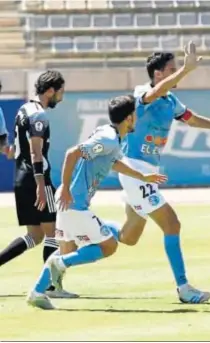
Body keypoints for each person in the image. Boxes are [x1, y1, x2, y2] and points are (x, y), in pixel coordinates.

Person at [118, 41, 210, 304]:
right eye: (172, 69)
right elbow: (153, 95)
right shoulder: (143, 92)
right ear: (158, 74)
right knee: (172, 224)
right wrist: (186, 70)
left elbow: (193, 119)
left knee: (128, 237)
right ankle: (184, 288)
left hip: (146, 172)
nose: (177, 73)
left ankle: (82, 236)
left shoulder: (171, 100)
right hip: (134, 169)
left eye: (178, 69)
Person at [26, 94, 167, 309]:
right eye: (135, 115)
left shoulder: (111, 136)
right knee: (108, 245)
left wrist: (142, 177)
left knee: (67, 247)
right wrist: (64, 187)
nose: (137, 119)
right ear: (129, 118)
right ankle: (60, 264)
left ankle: (37, 291)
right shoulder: (109, 139)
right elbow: (71, 153)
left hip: (70, 202)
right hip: (73, 203)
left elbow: (114, 162)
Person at [0, 70, 76, 298]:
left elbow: (14, 149)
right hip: (36, 179)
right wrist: (41, 186)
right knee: (53, 232)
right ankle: (52, 287)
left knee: (34, 235)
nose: (61, 97)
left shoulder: (24, 109)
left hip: (20, 178)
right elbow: (35, 151)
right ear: (51, 90)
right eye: (60, 92)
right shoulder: (39, 115)